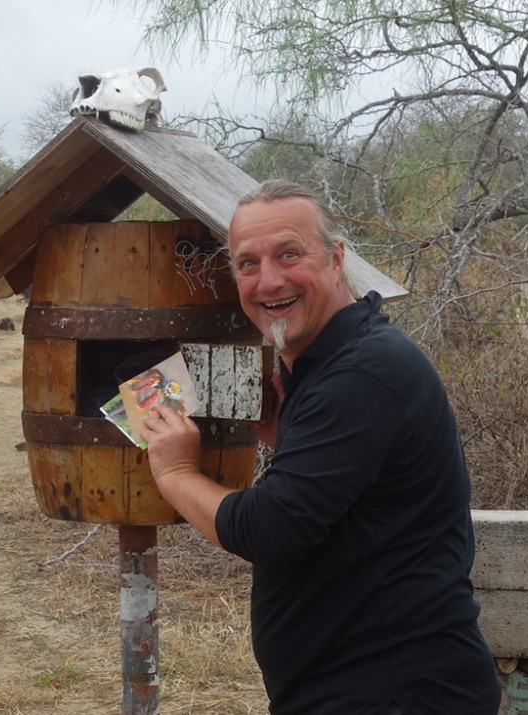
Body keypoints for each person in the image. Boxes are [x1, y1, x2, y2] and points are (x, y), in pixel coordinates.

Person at [138, 181, 501, 714]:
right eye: (247, 264)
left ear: (336, 258)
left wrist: (175, 472)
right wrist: (293, 441)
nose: (269, 281)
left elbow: (271, 529)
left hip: (397, 694)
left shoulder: (363, 373)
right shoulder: (331, 364)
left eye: (289, 254)